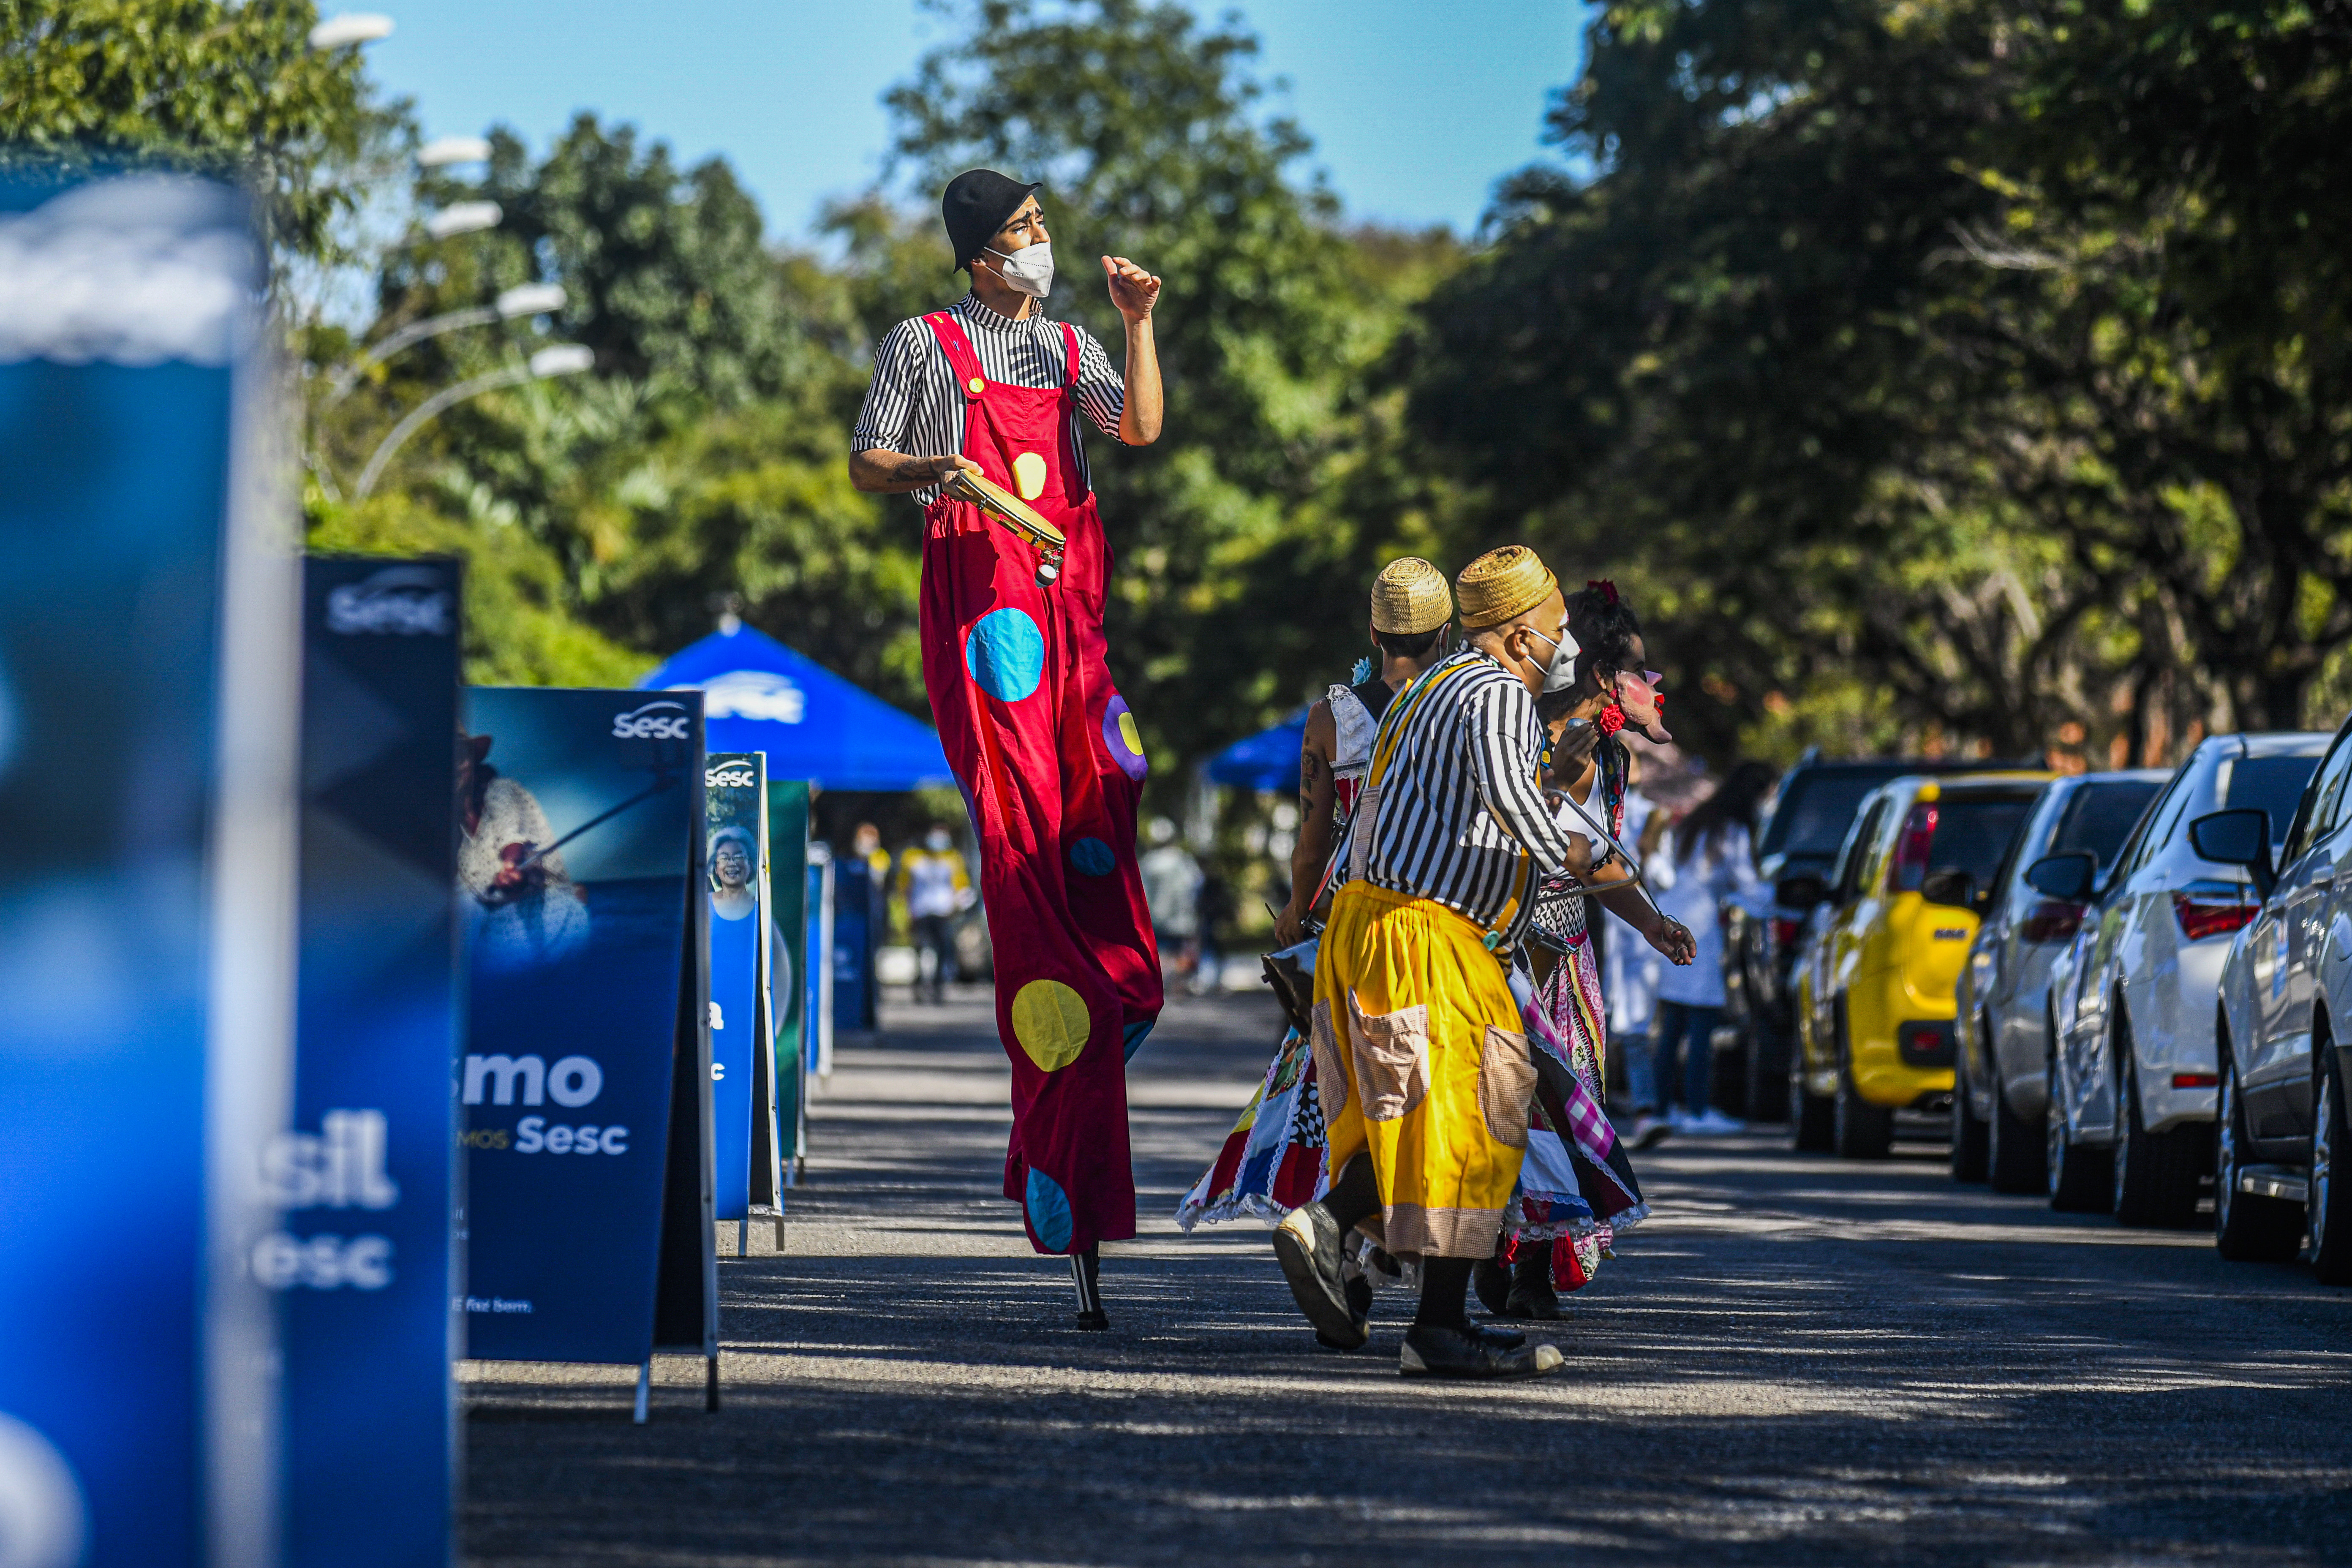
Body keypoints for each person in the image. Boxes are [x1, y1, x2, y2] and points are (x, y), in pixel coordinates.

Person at [849, 169, 1165, 1328]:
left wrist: (1136, 327)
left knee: (1113, 798)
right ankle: (1063, 1116)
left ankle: (1100, 1023)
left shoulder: (1073, 345)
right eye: (1026, 232)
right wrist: (943, 471)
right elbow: (866, 458)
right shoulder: (926, 345)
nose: (1045, 243)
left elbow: (1135, 428)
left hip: (1071, 619)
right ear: (984, 256)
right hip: (990, 626)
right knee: (1024, 843)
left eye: (1041, 227)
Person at [1275, 546, 1694, 1380]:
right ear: (1518, 631)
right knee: (1479, 1116)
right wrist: (1626, 889)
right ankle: (1406, 1299)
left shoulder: (1431, 686)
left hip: (1382, 926)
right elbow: (1529, 818)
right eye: (1556, 627)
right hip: (1429, 934)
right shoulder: (1499, 695)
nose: (1565, 642)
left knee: (1428, 1117)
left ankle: (1365, 1261)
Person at [1483, 580, 1692, 1319]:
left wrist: (1649, 922)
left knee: (1562, 1106)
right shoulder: (1512, 733)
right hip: (1506, 951)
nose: (1653, 684)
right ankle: (1489, 1251)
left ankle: (1531, 1266)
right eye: (1641, 669)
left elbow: (1595, 859)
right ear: (1606, 678)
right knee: (1504, 1105)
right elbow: (1533, 846)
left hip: (1569, 953)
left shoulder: (1611, 759)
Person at [1272, 557, 1455, 949]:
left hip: (1364, 924)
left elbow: (1312, 846)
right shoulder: (1470, 705)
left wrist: (1296, 907)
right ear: (1445, 635)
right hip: (1451, 921)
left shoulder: (1332, 718)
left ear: (1374, 634)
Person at [1651, 761, 1777, 1133]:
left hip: (1672, 922)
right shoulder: (1732, 830)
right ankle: (1697, 1110)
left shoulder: (1694, 823)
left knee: (1672, 1026)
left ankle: (1663, 1108)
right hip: (1701, 933)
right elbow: (1748, 886)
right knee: (1702, 1028)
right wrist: (1779, 897)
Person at [456, 730, 588, 971]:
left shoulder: (503, 791)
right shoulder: (450, 824)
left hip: (548, 917)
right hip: (495, 927)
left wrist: (512, 867)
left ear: (472, 760)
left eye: (458, 757)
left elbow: (512, 840)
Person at [896, 826, 973, 1005]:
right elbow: (903, 886)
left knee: (942, 951)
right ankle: (920, 986)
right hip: (920, 912)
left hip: (943, 913)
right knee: (921, 950)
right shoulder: (913, 858)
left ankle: (938, 989)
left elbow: (961, 886)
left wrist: (960, 906)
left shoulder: (953, 859)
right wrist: (904, 912)